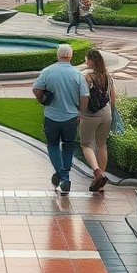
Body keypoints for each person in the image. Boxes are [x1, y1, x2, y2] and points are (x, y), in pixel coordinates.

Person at [32, 43, 89, 194]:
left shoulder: (48, 71)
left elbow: (36, 89)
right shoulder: (77, 74)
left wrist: (42, 100)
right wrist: (81, 112)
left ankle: (63, 177)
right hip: (71, 117)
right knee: (69, 145)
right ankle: (64, 176)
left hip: (51, 116)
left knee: (53, 145)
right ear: (70, 57)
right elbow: (84, 96)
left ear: (58, 56)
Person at [79, 50, 114, 191]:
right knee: (101, 145)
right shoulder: (108, 76)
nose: (86, 62)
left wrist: (80, 112)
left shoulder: (86, 77)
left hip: (90, 114)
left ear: (92, 60)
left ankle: (97, 172)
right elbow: (112, 97)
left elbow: (84, 97)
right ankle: (99, 180)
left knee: (86, 143)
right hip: (106, 113)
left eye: (87, 60)